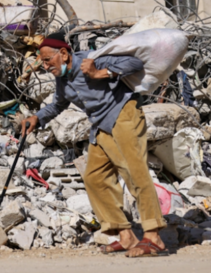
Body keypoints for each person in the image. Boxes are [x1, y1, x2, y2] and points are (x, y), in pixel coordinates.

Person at [20, 32, 168, 257]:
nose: (45, 65)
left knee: (134, 171)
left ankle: (153, 236)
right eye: (42, 62)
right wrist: (37, 118)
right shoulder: (63, 80)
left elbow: (135, 63)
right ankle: (125, 236)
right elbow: (58, 105)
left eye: (48, 59)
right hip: (100, 123)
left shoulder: (93, 58)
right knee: (95, 177)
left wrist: (100, 73)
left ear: (63, 54)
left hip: (123, 114)